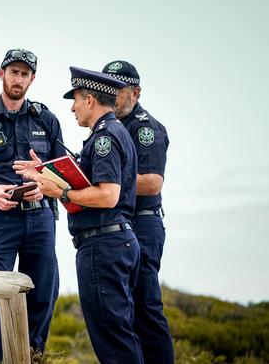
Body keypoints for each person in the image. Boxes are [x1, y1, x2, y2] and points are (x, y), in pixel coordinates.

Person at [15, 66, 142, 363]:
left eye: (75, 99)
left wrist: (59, 193)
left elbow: (108, 195)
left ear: (89, 100)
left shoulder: (104, 137)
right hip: (115, 243)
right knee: (120, 334)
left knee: (113, 338)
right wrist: (45, 173)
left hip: (103, 245)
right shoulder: (114, 132)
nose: (71, 107)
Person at [0, 48, 66, 363]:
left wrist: (43, 183)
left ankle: (31, 357)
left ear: (32, 79)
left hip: (41, 219)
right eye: (13, 72)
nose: (18, 79)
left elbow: (64, 170)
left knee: (43, 292)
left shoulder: (46, 119)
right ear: (1, 74)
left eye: (24, 74)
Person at [103, 60, 174, 363]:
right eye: (109, 90)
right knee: (125, 311)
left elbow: (153, 183)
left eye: (119, 90)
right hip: (121, 226)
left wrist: (105, 181)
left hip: (143, 225)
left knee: (146, 308)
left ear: (136, 92)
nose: (114, 97)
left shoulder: (146, 128)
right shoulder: (111, 127)